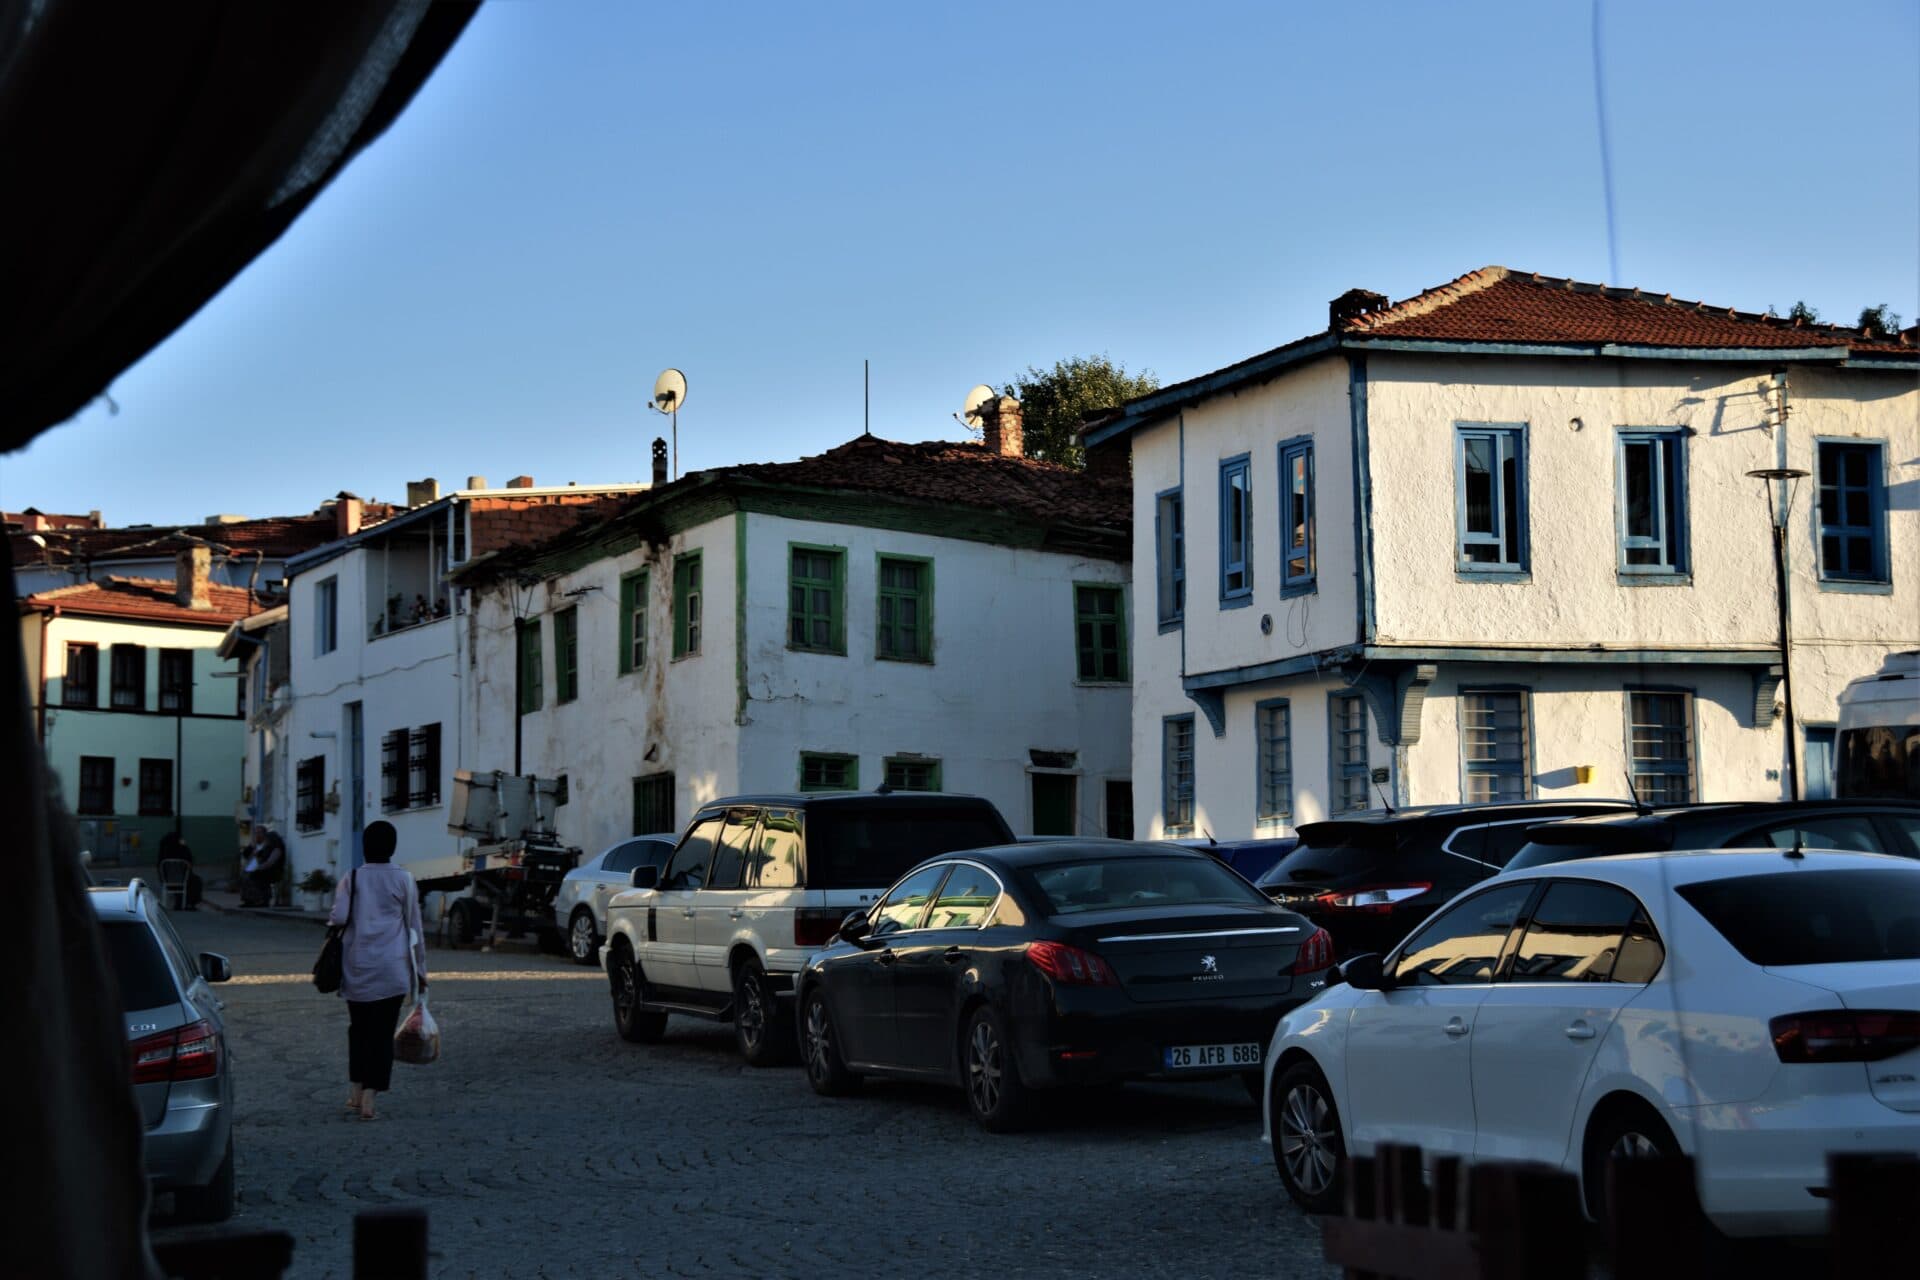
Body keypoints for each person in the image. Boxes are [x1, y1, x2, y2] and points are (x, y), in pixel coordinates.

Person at [326, 820, 428, 1120]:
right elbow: (415, 929)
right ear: (392, 847)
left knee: (358, 1030)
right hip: (392, 969)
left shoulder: (352, 878)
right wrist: (421, 971)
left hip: (357, 967)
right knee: (383, 1034)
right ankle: (371, 1097)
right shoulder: (405, 880)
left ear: (364, 846)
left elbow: (340, 916)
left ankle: (355, 1092)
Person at [240, 828, 286, 907]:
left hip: (273, 871)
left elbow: (269, 863)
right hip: (264, 869)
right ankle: (249, 900)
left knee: (252, 875)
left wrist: (258, 868)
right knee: (245, 874)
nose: (266, 841)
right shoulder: (266, 848)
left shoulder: (277, 849)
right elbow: (253, 857)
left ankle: (260, 900)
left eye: (267, 840)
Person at [157, 831, 202, 909]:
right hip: (183, 881)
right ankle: (188, 903)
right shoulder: (183, 851)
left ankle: (180, 902)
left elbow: (159, 868)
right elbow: (190, 862)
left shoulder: (164, 852)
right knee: (196, 881)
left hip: (167, 881)